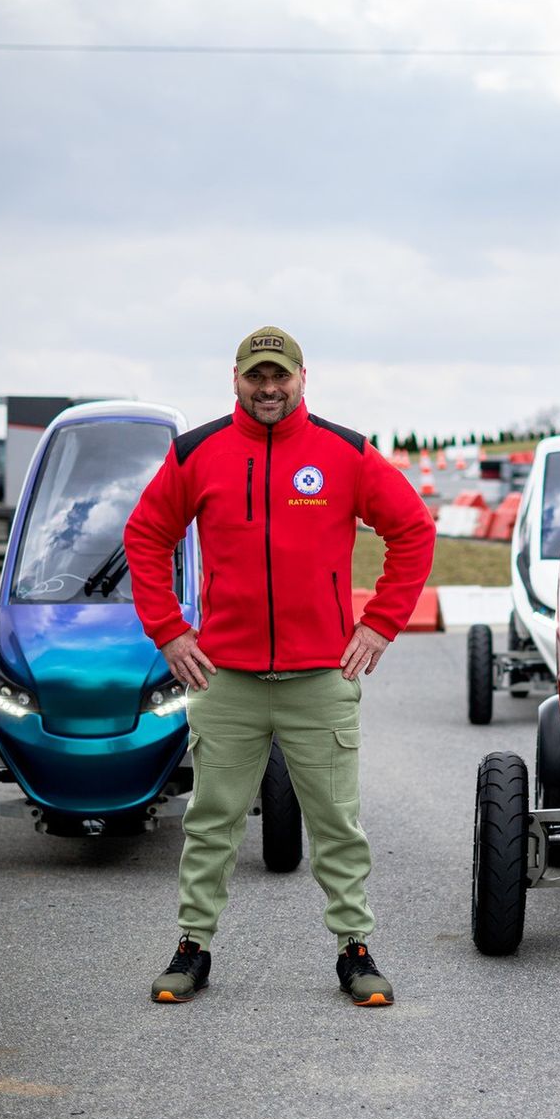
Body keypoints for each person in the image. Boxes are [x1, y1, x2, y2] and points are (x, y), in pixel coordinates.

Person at [124, 325, 436, 1007]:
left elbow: (413, 528)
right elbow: (146, 535)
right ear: (235, 378)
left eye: (280, 377)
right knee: (211, 823)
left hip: (319, 679)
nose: (269, 388)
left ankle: (354, 950)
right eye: (256, 376)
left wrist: (381, 623)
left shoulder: (344, 453)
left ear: (301, 378)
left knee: (337, 824)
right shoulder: (196, 453)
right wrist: (170, 633)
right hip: (224, 678)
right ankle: (192, 948)